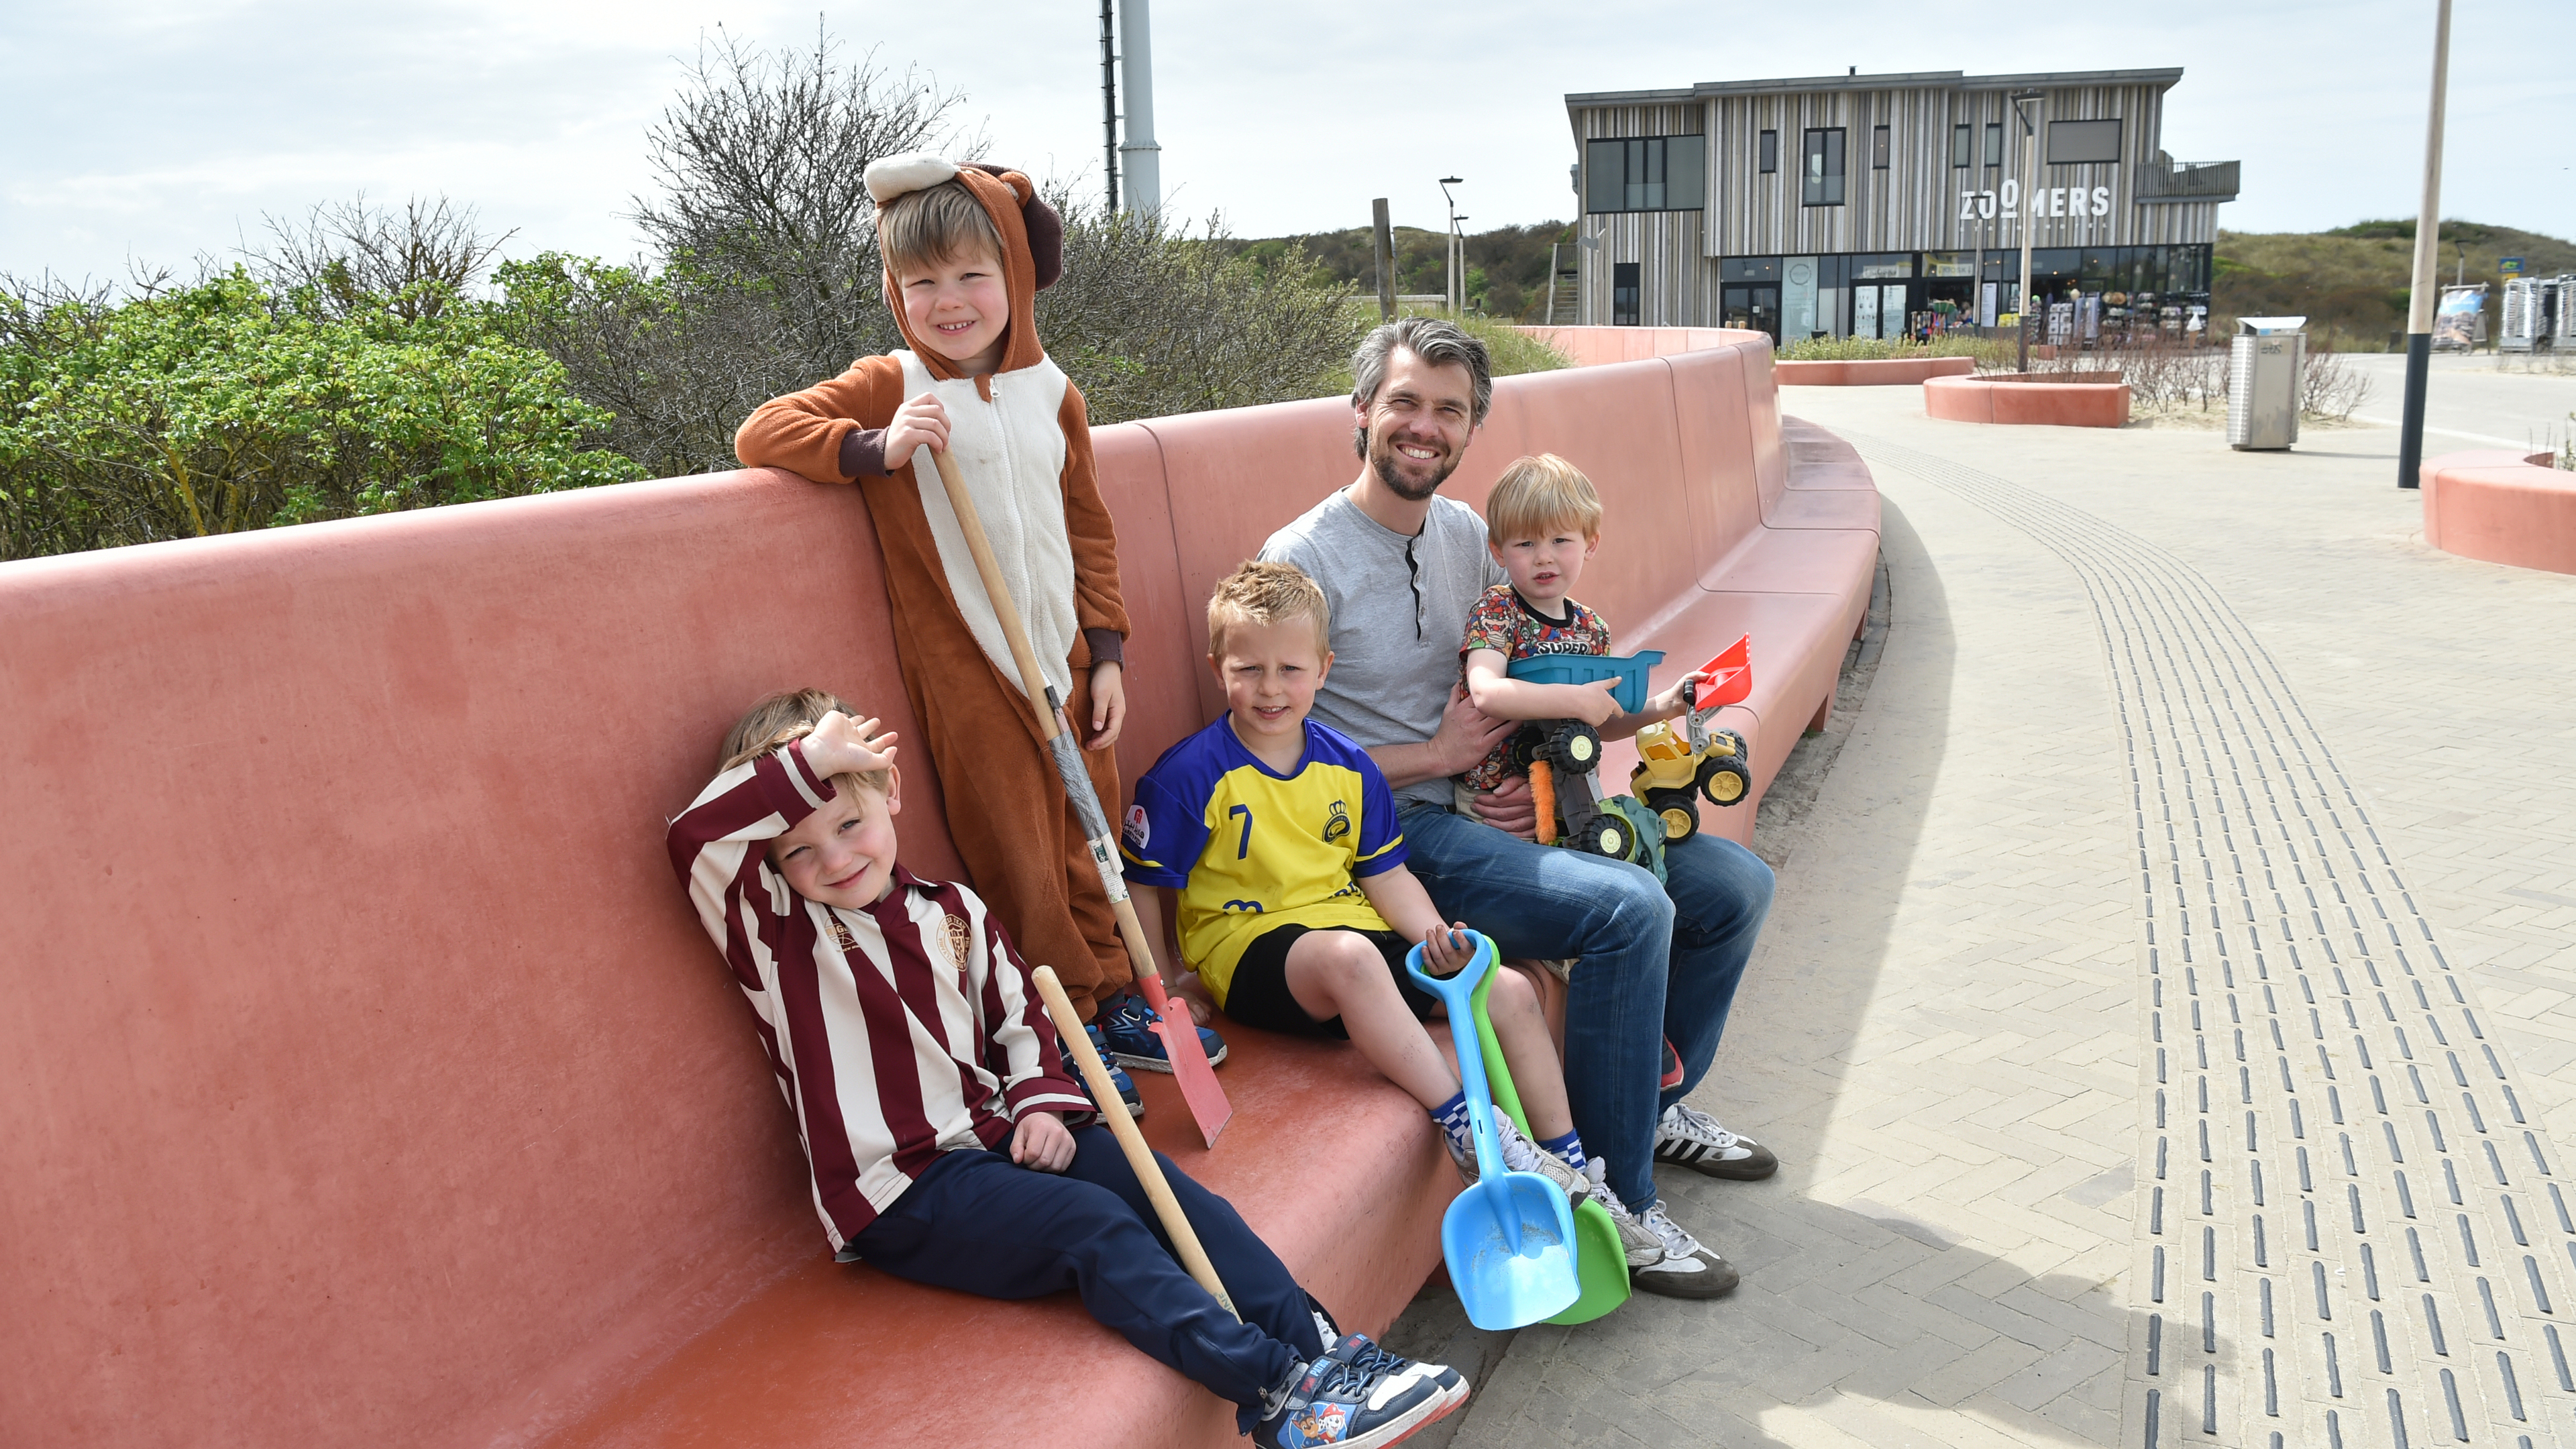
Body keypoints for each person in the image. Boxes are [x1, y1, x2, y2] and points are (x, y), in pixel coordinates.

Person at [665, 688, 1466, 1449]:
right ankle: (1280, 1396)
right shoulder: (774, 932)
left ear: (889, 793)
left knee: (1163, 1191)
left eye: (848, 822)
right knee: (1093, 1228)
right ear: (771, 861)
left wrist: (1042, 1106)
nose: (834, 859)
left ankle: (1328, 1357)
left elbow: (1022, 1023)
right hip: (904, 1186)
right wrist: (812, 761)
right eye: (800, 849)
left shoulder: (954, 911)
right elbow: (692, 838)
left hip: (1003, 1135)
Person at [1260, 318, 1778, 1301]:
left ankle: (1653, 1104)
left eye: (1449, 411)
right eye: (1405, 403)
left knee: (1734, 885)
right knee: (1630, 910)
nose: (1424, 426)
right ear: (1361, 411)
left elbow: (1537, 667)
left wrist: (1608, 724)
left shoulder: (1465, 535)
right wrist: (1438, 755)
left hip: (1505, 805)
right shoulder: (1302, 560)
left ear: (1469, 430)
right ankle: (1622, 1202)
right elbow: (1273, 754)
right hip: (1396, 834)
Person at [1120, 564, 1676, 1261]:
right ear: (1216, 668)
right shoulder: (1188, 774)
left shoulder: (1350, 765)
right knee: (1348, 956)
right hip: (1252, 947)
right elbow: (1143, 881)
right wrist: (1165, 984)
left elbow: (1387, 875)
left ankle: (1577, 1174)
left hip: (1346, 923)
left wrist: (1436, 939)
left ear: (1323, 670)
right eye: (1248, 669)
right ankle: (1473, 1133)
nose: (1270, 688)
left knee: (1501, 986)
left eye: (1290, 669)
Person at [731, 154, 1166, 1036]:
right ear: (895, 293)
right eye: (921, 281)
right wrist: (875, 447)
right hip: (973, 671)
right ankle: (1067, 1019)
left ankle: (1126, 995)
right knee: (1021, 854)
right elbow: (762, 432)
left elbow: (1088, 527)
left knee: (1091, 835)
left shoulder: (1054, 394)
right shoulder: (893, 383)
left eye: (974, 273)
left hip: (1067, 663)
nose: (949, 299)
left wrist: (1108, 650)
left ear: (1014, 275)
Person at [1453, 453, 1710, 804]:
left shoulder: (1591, 628)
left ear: (1590, 544)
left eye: (1560, 541)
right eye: (1526, 543)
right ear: (1498, 551)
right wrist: (1575, 699)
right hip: (1492, 801)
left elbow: (1599, 721)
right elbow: (1486, 692)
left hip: (1564, 790)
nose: (1544, 556)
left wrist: (1669, 704)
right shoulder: (1497, 610)